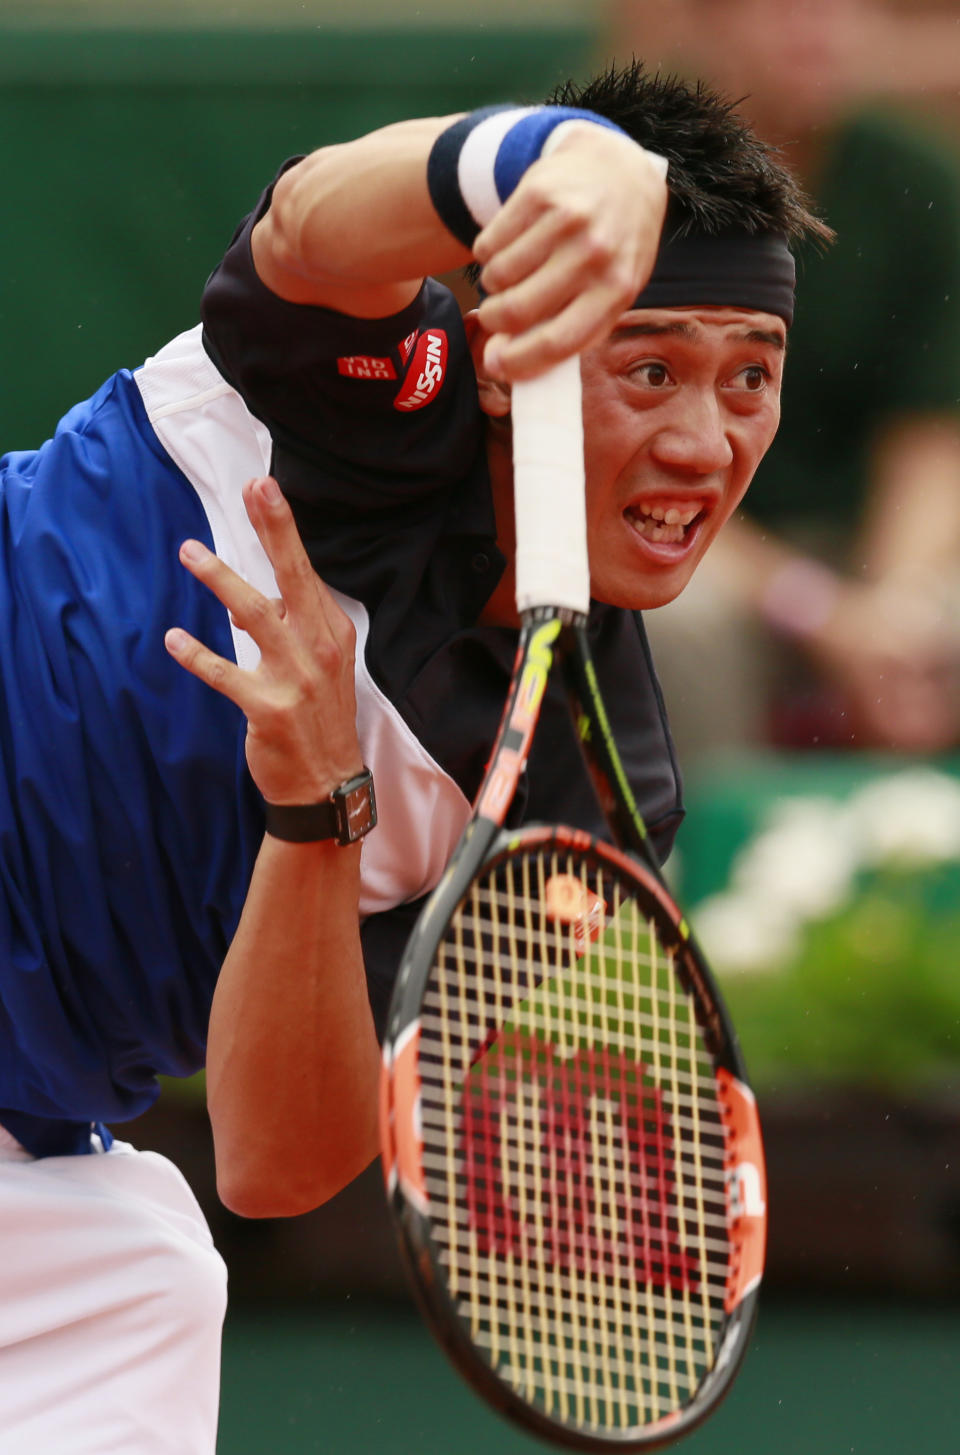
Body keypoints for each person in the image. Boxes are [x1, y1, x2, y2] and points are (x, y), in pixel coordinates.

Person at [0, 61, 827, 1453]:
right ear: (520, 357)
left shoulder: (590, 787)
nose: (705, 439)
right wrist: (535, 157)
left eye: (753, 375)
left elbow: (277, 1157)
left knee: (145, 1275)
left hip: (30, 1141)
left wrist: (314, 808)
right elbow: (318, 220)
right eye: (650, 367)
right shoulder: (358, 392)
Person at [615, 0, 960, 758]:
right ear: (712, 23)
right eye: (781, 7)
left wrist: (896, 613)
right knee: (676, 624)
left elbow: (932, 442)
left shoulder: (922, 179)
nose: (817, 27)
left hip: (871, 554)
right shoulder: (629, 181)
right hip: (696, 549)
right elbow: (621, 471)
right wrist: (820, 615)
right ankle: (698, 867)